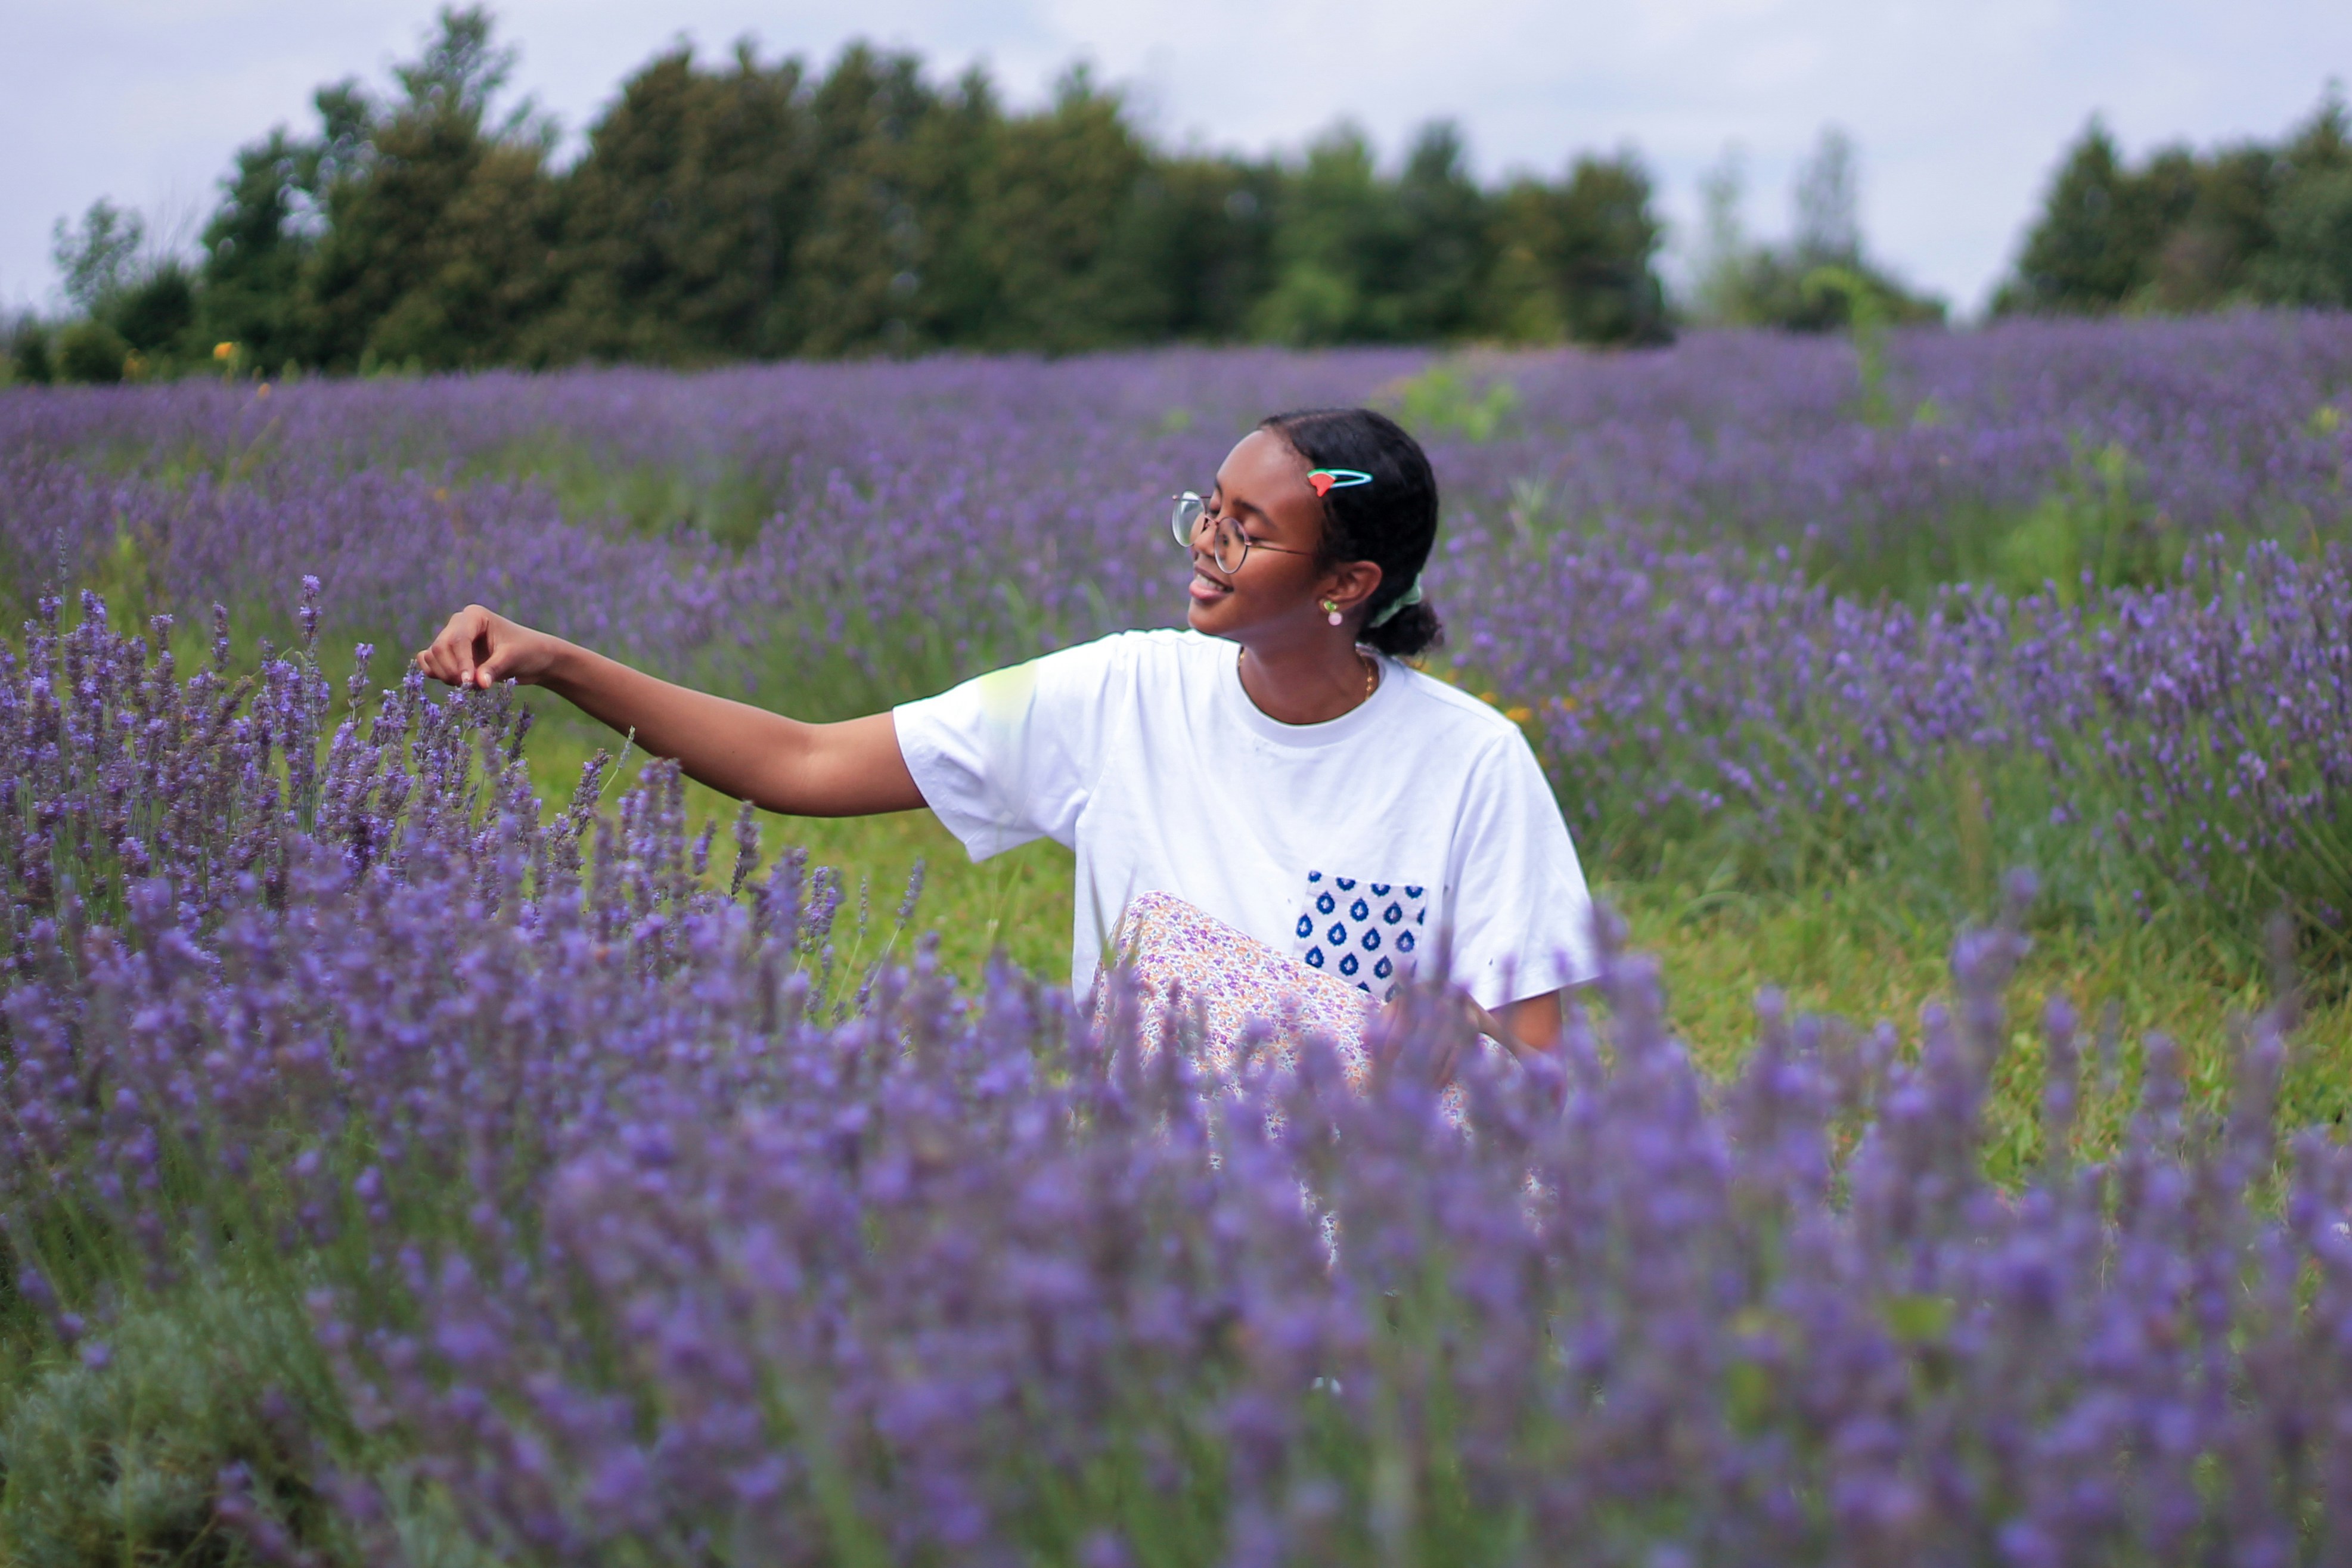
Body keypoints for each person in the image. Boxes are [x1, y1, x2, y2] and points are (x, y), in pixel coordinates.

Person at [416, 407, 1594, 1050]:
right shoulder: (1117, 695)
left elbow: (1532, 1064)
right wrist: (557, 660)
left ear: (1347, 583)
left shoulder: (1469, 762)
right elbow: (803, 759)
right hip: (1149, 1197)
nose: (1206, 544)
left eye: (1249, 528)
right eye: (1208, 511)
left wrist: (1317, 1031)